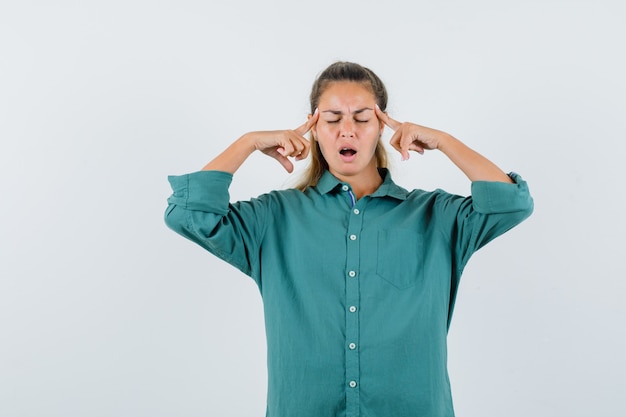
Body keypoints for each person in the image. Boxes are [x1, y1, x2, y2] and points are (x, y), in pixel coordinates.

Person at [164, 61, 533, 417]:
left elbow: (510, 204)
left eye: (361, 118)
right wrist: (247, 143)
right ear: (312, 128)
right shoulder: (274, 217)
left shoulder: (435, 216)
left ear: (381, 127)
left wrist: (445, 141)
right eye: (332, 119)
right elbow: (188, 214)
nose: (347, 130)